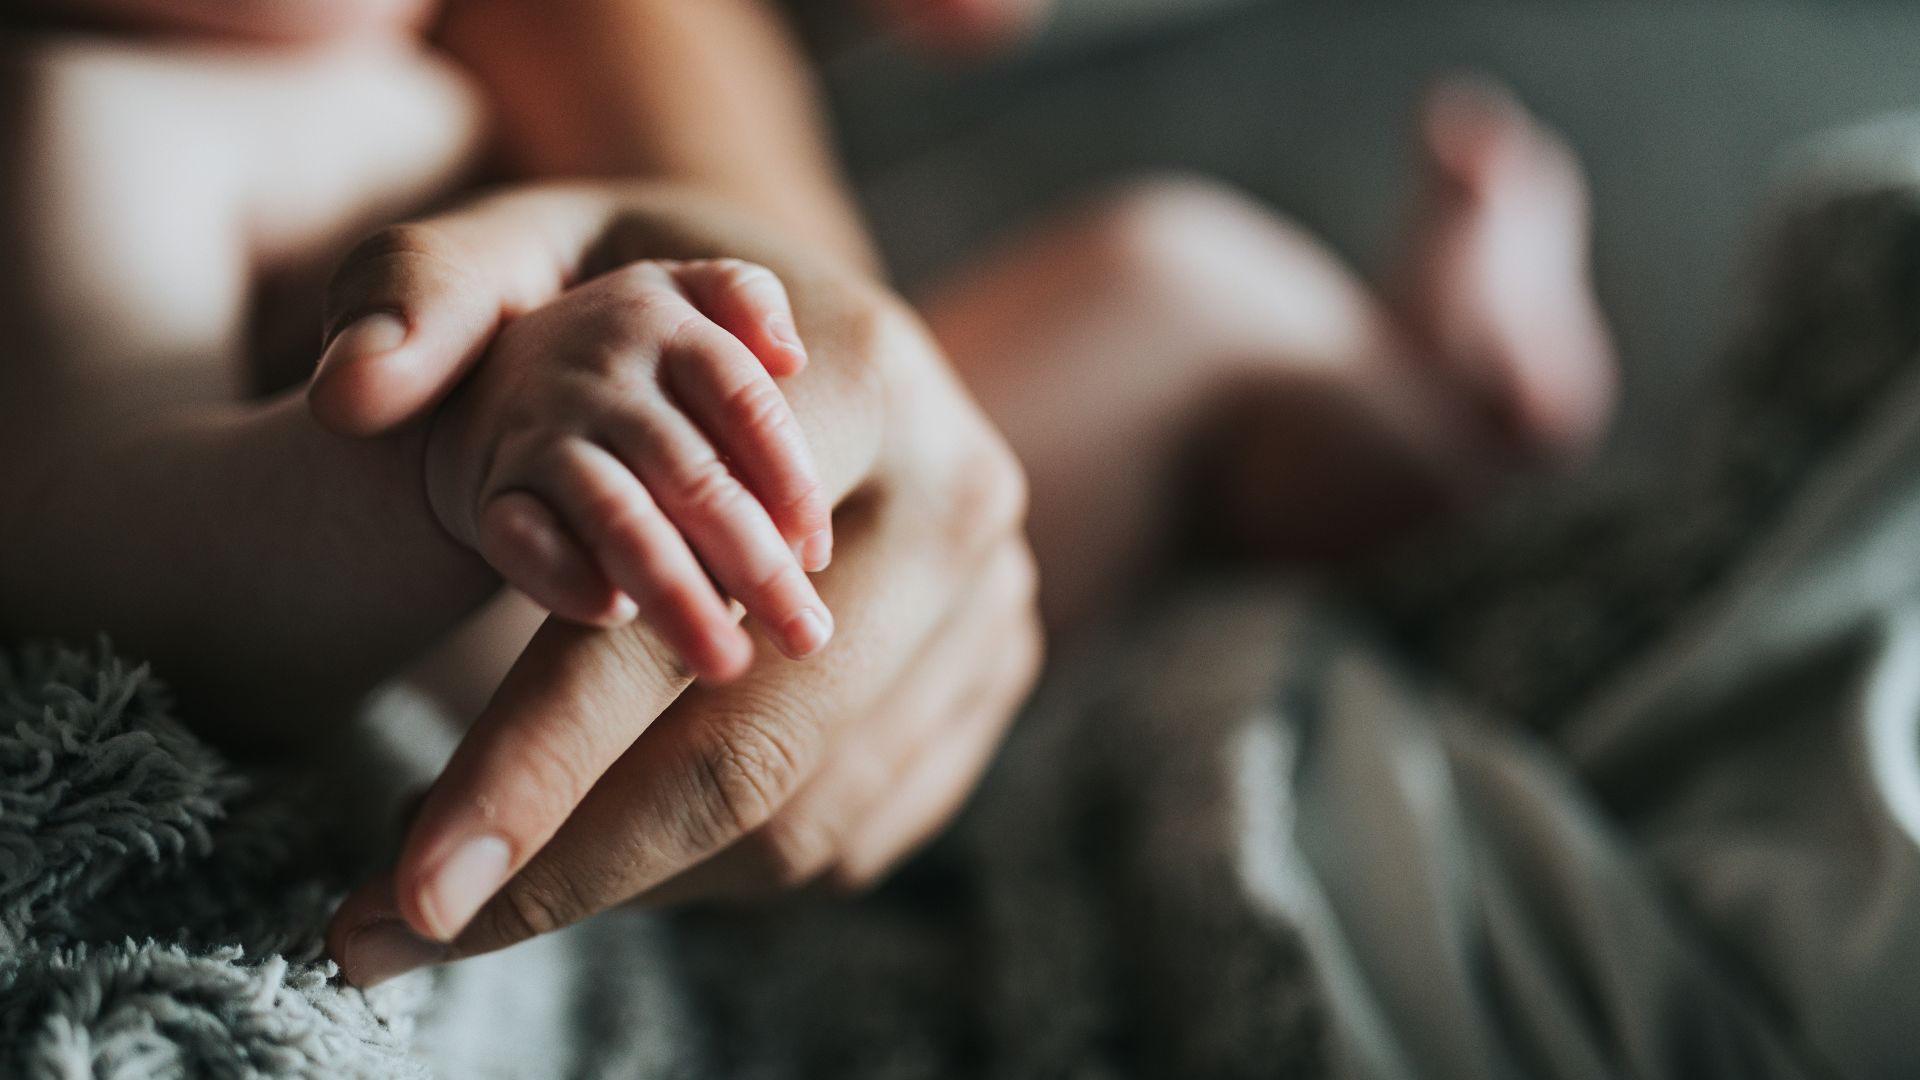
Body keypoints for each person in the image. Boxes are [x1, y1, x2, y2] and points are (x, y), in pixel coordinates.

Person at [0, 0, 1612, 990]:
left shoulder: (404, 45)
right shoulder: (101, 109)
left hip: (832, 590)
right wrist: (440, 453)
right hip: (583, 746)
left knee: (1184, 273)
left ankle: (1455, 423)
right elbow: (102, 542)